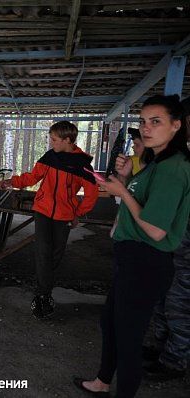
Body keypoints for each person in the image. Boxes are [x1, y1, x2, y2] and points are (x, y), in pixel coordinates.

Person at [76, 94, 190, 397]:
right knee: (110, 322)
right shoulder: (156, 162)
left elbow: (154, 229)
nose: (146, 128)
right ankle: (102, 381)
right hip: (132, 258)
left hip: (147, 260)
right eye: (143, 122)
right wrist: (125, 181)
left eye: (156, 122)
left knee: (128, 338)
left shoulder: (173, 168)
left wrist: (121, 192)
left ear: (176, 126)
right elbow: (141, 205)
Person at [0, 121, 99, 319]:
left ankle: (43, 287)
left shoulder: (83, 165)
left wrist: (77, 213)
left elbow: (91, 193)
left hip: (64, 215)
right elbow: (32, 177)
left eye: (54, 140)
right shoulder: (49, 157)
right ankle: (43, 294)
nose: (50, 142)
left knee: (55, 254)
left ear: (67, 140)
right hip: (43, 211)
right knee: (43, 251)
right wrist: (12, 182)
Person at [143, 96, 190, 382]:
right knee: (163, 296)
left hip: (184, 245)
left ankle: (174, 361)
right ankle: (162, 347)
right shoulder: (169, 158)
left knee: (179, 303)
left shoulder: (179, 163)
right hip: (171, 241)